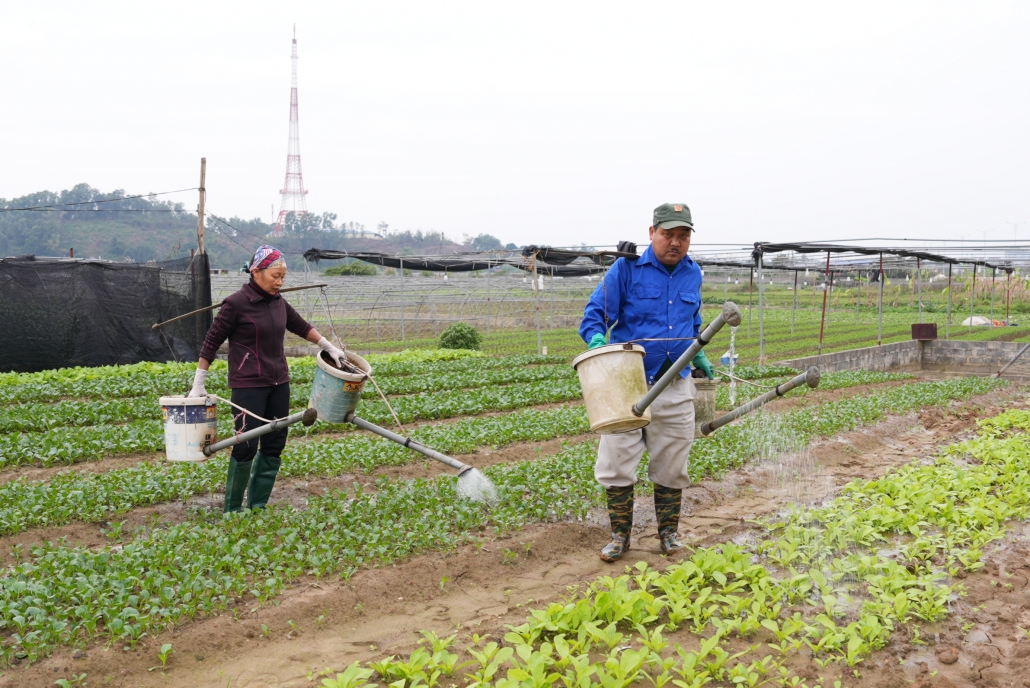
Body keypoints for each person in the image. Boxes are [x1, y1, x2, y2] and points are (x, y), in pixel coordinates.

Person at [579, 203, 714, 562]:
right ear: (651, 233)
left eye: (683, 235)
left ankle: (668, 535)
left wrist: (697, 352)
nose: (675, 242)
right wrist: (596, 340)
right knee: (617, 460)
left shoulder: (693, 274)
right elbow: (594, 315)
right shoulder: (627, 269)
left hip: (675, 382)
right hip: (627, 382)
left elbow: (693, 320)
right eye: (668, 234)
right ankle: (619, 536)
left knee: (673, 462)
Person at [188, 245, 347, 513]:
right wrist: (198, 383)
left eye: (283, 276)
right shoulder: (235, 304)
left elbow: (300, 326)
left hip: (278, 383)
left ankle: (258, 507)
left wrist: (327, 345)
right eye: (275, 276)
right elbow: (211, 342)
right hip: (248, 385)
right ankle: (232, 510)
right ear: (256, 272)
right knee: (245, 444)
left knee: (274, 445)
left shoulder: (278, 302)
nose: (280, 282)